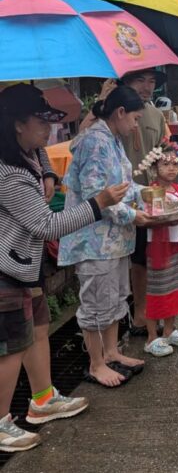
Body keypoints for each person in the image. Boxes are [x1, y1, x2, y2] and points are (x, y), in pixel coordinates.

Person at [0, 84, 128, 452]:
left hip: (24, 264)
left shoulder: (25, 152)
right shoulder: (9, 174)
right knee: (10, 345)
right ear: (17, 125)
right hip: (7, 267)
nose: (48, 129)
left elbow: (39, 152)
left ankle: (42, 400)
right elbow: (47, 225)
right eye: (41, 121)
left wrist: (48, 174)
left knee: (39, 325)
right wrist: (98, 203)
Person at [58, 85, 155, 388]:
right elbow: (95, 196)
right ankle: (96, 363)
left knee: (114, 297)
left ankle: (112, 352)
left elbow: (123, 187)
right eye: (136, 119)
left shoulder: (111, 140)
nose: (136, 126)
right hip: (94, 240)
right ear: (121, 113)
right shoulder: (95, 142)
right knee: (96, 302)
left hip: (112, 240)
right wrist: (132, 215)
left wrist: (150, 196)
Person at [81, 69, 170, 336]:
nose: (147, 86)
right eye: (140, 80)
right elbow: (98, 194)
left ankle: (122, 337)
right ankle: (102, 357)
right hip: (106, 224)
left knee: (136, 266)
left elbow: (162, 152)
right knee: (102, 295)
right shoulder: (100, 135)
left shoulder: (153, 117)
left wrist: (167, 175)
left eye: (152, 81)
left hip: (136, 200)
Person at [144, 146, 178, 357]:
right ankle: (151, 337)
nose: (170, 169)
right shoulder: (151, 191)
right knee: (157, 289)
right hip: (157, 246)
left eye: (175, 164)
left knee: (176, 286)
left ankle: (169, 330)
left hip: (176, 244)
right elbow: (148, 216)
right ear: (155, 167)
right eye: (165, 164)